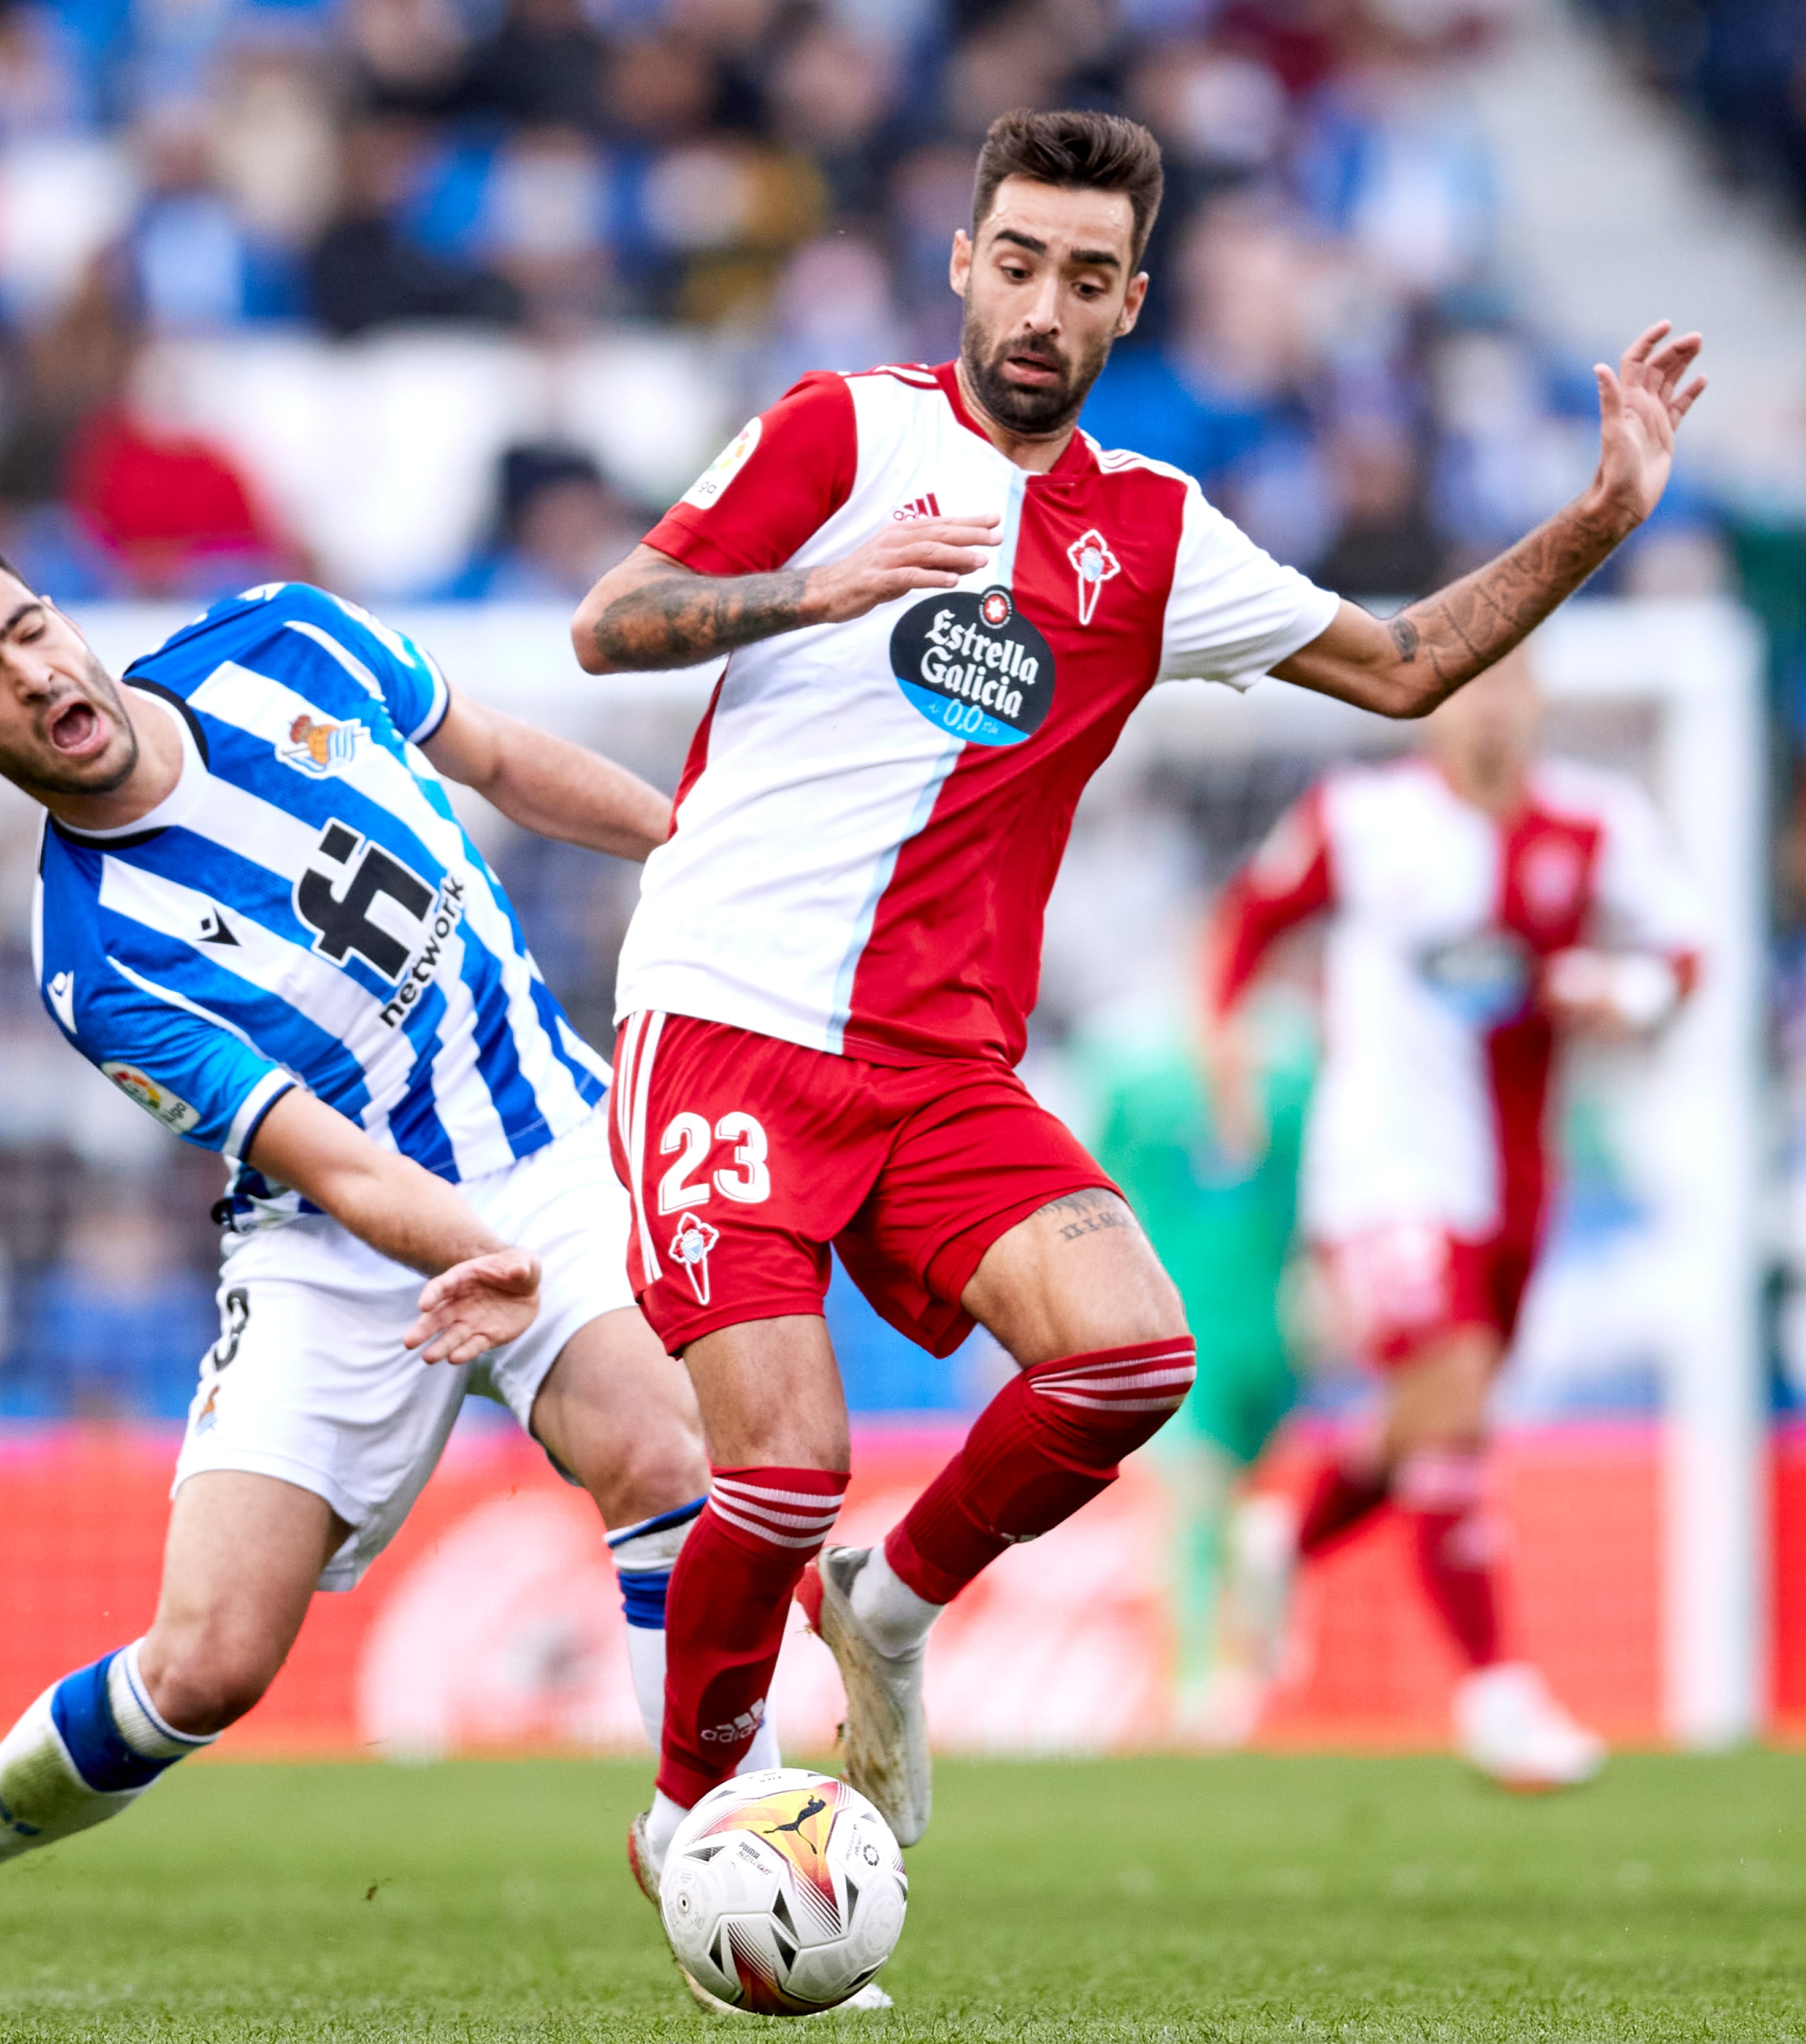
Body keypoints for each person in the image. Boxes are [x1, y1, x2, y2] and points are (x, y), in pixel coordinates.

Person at [565, 105, 1704, 1862]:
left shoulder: (1153, 535)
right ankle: (695, 1808)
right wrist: (815, 587)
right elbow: (610, 617)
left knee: (1130, 1358)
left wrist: (1602, 515)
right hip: (729, 1019)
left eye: (1083, 278)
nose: (1040, 304)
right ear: (963, 262)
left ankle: (892, 1605)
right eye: (1014, 262)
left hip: (943, 1064)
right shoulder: (840, 432)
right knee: (782, 1469)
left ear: (1130, 305)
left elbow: (1399, 668)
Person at [0, 540, 735, 2021]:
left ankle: (700, 1855)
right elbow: (345, 1172)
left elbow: (500, 757)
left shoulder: (285, 640)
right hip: (334, 1245)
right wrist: (479, 1262)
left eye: (32, 631)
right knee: (206, 1666)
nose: (40, 679)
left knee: (655, 1446)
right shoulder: (97, 961)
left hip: (546, 1134)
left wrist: (689, 849)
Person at [1203, 651, 1705, 1788]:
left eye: (1509, 684)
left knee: (1435, 1410)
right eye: (1467, 684)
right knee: (1459, 1390)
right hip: (1380, 1167)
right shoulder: (1363, 816)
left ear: (1535, 699)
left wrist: (1626, 993)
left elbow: (1687, 951)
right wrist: (1225, 1040)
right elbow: (1249, 919)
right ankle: (1497, 1688)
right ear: (1434, 703)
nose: (1487, 705)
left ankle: (1286, 1533)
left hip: (1519, 1185)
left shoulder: (1596, 824)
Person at [1074, 1001, 1315, 1747]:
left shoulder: (1144, 1094)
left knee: (1197, 1505)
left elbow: (1088, 1196)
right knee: (1208, 1497)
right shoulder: (1297, 1088)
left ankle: (1202, 1682)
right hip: (1258, 1325)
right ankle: (1221, 1659)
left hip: (1200, 1325)